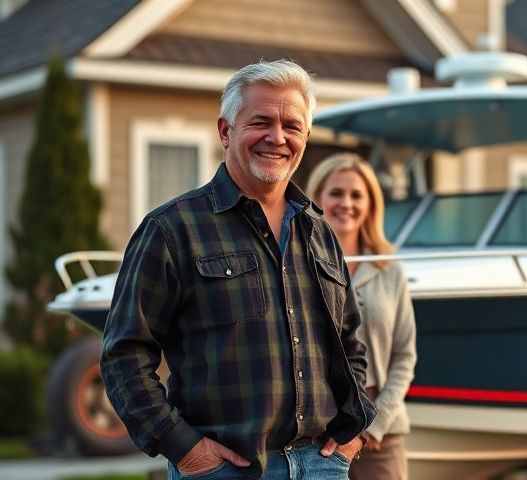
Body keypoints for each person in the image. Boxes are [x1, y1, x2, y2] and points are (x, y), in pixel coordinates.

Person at [100, 60, 375, 480]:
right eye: (260, 121)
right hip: (223, 470)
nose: (277, 137)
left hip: (322, 466)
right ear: (226, 131)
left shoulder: (319, 230)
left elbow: (350, 342)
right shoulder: (173, 229)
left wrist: (350, 432)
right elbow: (124, 354)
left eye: (292, 126)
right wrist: (183, 447)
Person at [306, 154, 416, 480]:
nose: (347, 203)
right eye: (336, 193)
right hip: (315, 430)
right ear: (318, 199)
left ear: (371, 204)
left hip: (382, 433)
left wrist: (371, 427)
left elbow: (405, 356)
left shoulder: (390, 269)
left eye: (357, 195)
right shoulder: (298, 264)